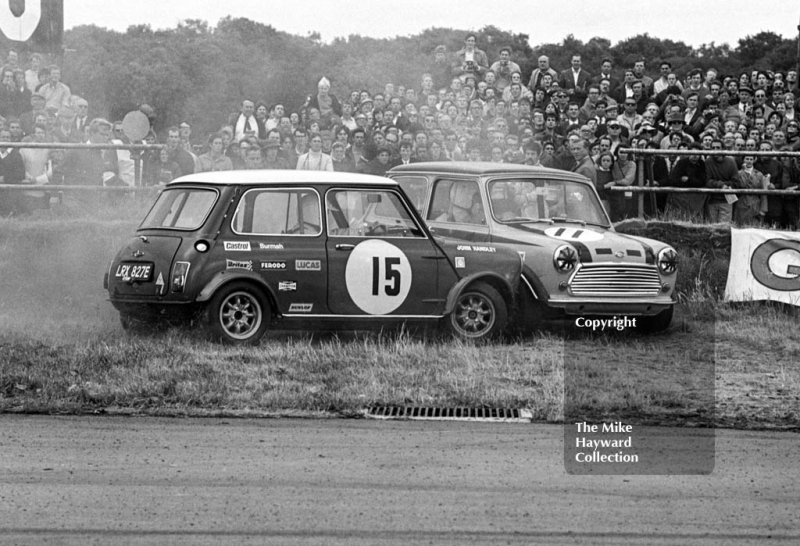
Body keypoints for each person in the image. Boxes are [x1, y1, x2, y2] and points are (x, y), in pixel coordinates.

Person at [666, 143, 707, 221]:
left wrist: (688, 179)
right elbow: (673, 180)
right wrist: (681, 180)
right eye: (693, 153)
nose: (695, 156)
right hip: (680, 198)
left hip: (696, 199)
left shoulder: (702, 165)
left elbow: (702, 181)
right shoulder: (681, 163)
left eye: (697, 154)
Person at [704, 139, 742, 223]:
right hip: (711, 200)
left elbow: (736, 182)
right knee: (710, 228)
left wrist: (724, 184)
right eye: (713, 147)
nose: (715, 150)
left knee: (724, 228)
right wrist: (720, 184)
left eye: (718, 147)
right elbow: (706, 181)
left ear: (722, 149)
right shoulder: (707, 162)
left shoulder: (731, 162)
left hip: (726, 200)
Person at [735, 154, 768, 224]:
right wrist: (744, 172)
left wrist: (763, 209)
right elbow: (742, 185)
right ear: (743, 160)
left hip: (755, 204)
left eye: (751, 159)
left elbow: (764, 193)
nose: (749, 161)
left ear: (754, 160)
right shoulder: (738, 174)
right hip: (742, 203)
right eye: (747, 159)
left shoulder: (759, 174)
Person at [0, 127, 26, 215]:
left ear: (11, 139)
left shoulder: (16, 155)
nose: (5, 139)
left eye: (7, 137)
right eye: (3, 137)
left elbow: (21, 174)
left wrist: (5, 178)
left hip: (10, 192)